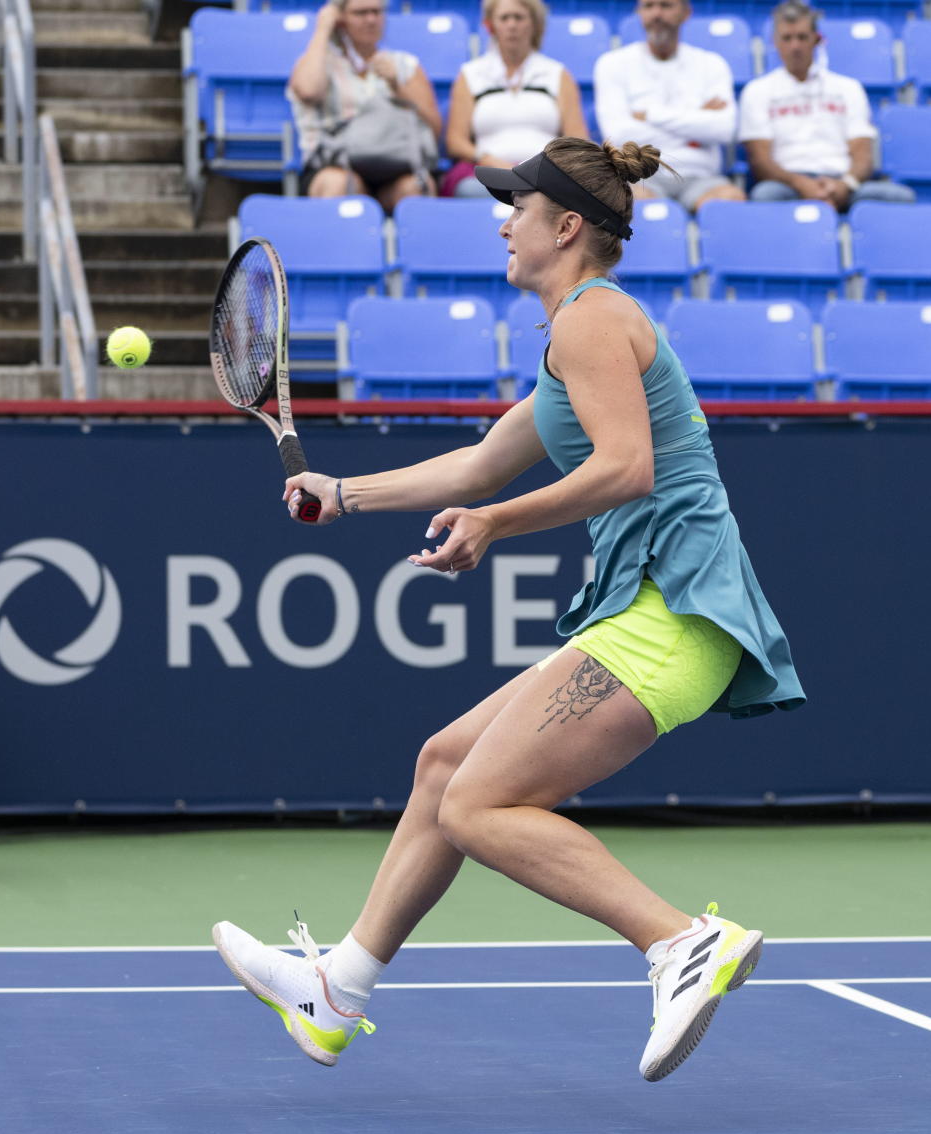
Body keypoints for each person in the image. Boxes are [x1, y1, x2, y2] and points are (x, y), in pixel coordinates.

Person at [212, 136, 805, 1084]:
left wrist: (493, 525)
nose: (502, 221)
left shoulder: (591, 320)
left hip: (674, 611)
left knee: (480, 804)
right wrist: (343, 490)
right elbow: (478, 465)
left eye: (517, 209)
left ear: (566, 227)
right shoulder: (574, 335)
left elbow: (624, 469)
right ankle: (338, 991)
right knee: (444, 764)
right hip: (653, 612)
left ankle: (678, 943)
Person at [738, 0, 915, 208]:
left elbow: (862, 154)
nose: (795, 46)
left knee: (900, 197)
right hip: (787, 184)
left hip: (843, 183)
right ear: (775, 42)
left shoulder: (848, 88)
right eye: (787, 38)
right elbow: (760, 160)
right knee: (765, 195)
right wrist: (802, 184)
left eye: (802, 37)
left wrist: (844, 185)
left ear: (817, 39)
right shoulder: (758, 91)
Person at [287, 0, 442, 211]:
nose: (371, 19)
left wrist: (397, 87)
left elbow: (433, 129)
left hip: (395, 166)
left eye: (377, 12)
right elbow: (308, 90)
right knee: (337, 184)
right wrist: (323, 29)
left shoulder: (404, 64)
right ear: (340, 19)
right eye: (360, 13)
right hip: (334, 165)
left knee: (416, 187)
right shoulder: (321, 62)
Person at [593, 0, 745, 211]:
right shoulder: (612, 64)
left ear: (686, 12)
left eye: (666, 5)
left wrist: (648, 115)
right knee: (631, 204)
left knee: (730, 203)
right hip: (641, 177)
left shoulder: (712, 64)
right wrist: (698, 119)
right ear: (639, 12)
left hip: (702, 177)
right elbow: (619, 135)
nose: (657, 14)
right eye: (648, 6)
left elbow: (723, 130)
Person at [443, 0, 589, 198]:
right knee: (471, 189)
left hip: (545, 173)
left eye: (519, 17)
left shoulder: (558, 74)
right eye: (504, 18)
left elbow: (577, 139)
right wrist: (490, 160)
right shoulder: (470, 74)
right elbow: (456, 141)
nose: (512, 25)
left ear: (534, 24)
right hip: (488, 172)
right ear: (490, 25)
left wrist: (543, 167)